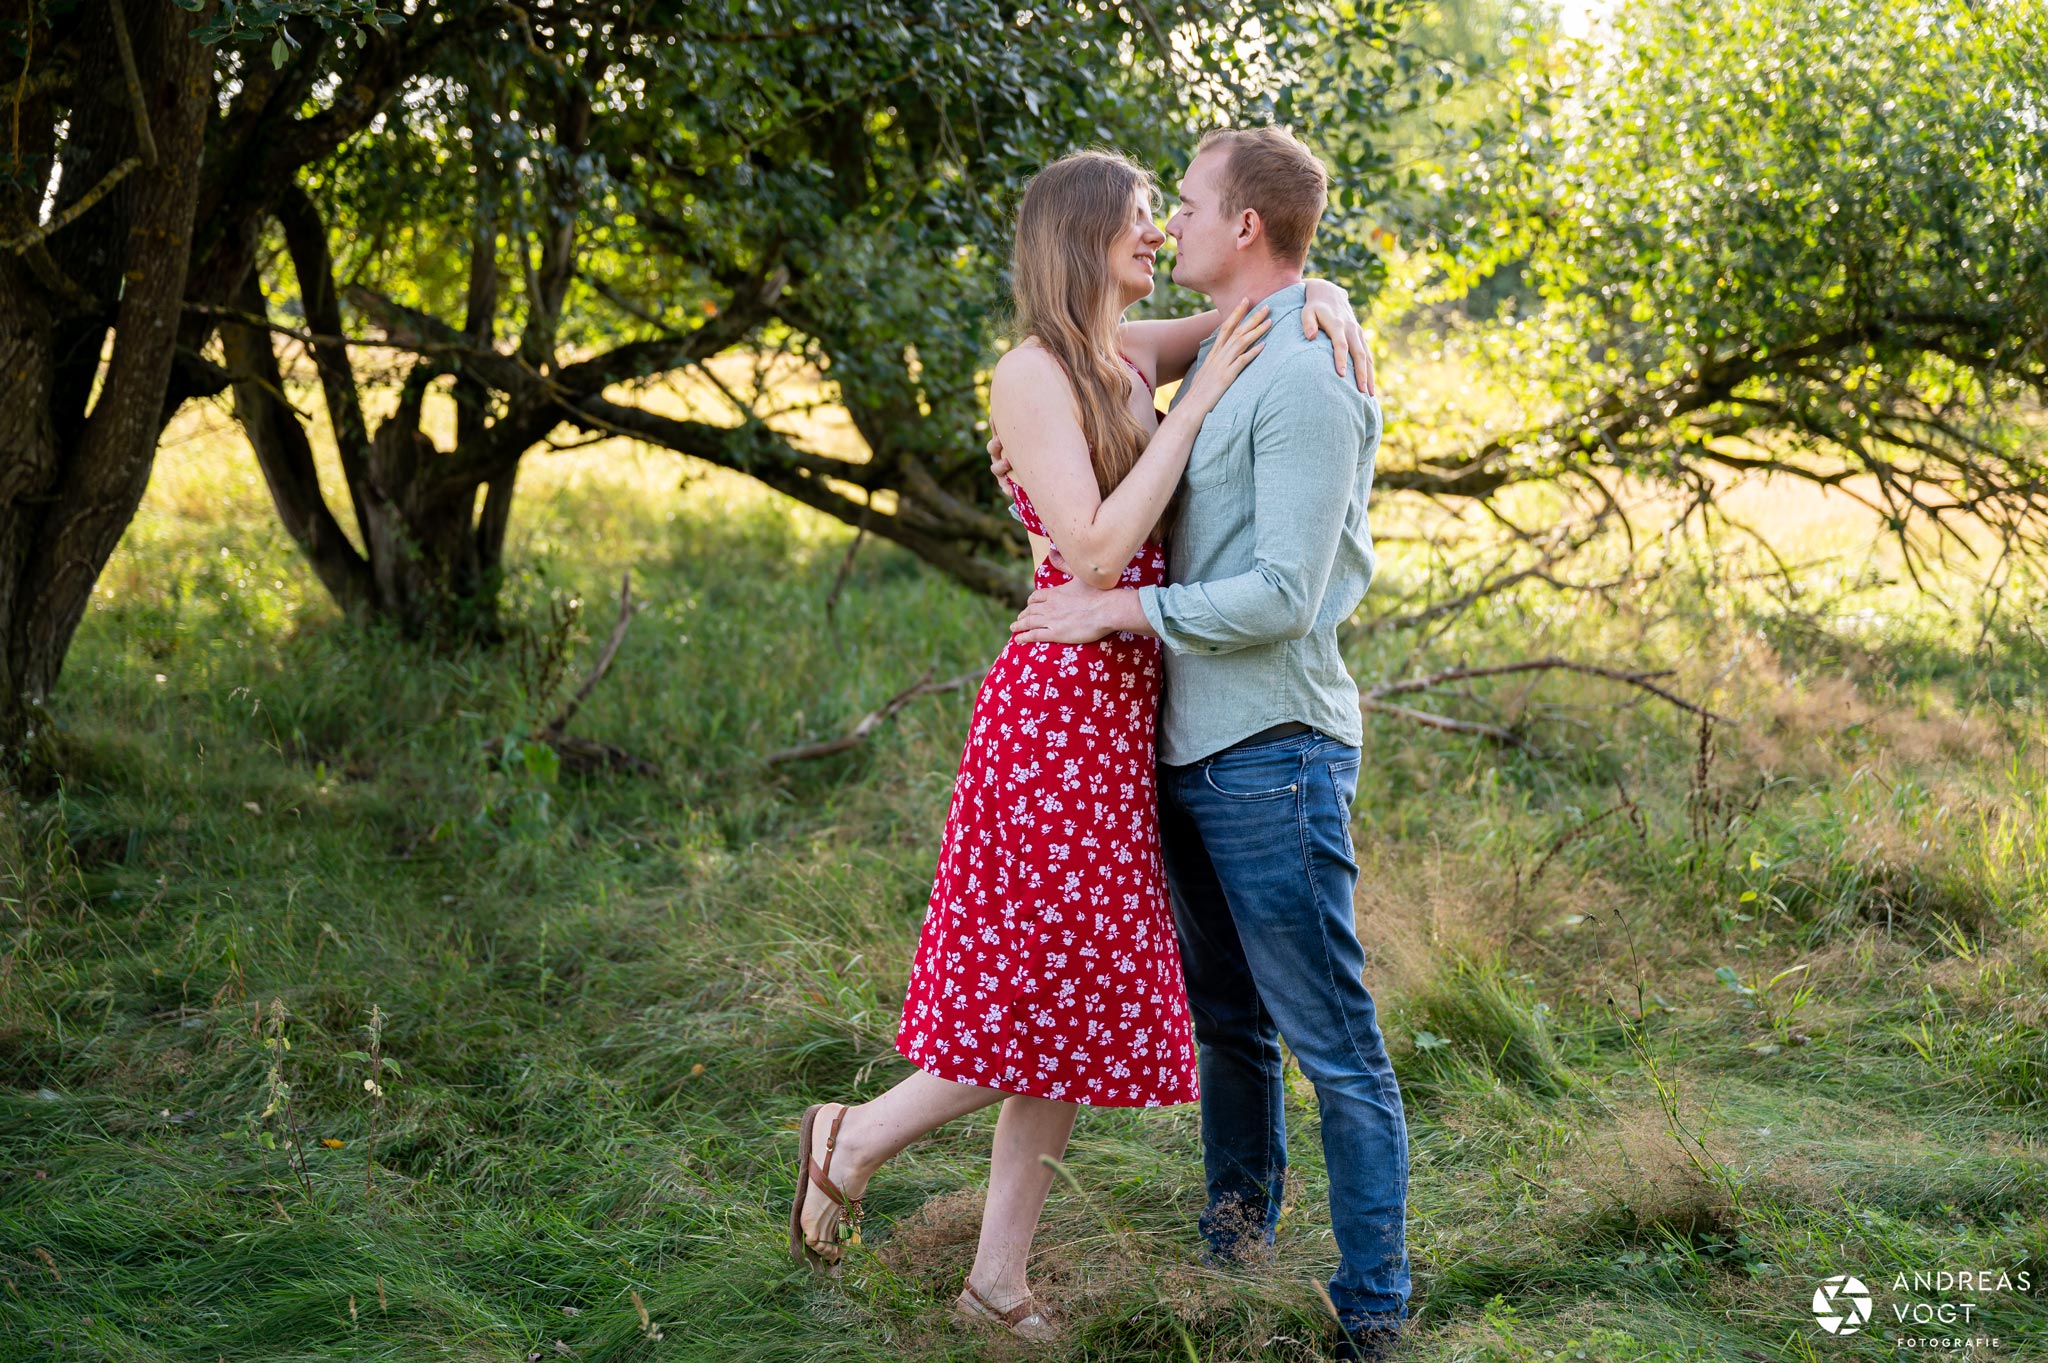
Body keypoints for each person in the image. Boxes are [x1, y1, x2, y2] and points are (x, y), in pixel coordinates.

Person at [788, 147, 1375, 1342]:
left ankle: (994, 1278)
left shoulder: (1124, 353)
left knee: (1077, 999)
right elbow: (1098, 548)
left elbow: (1242, 312)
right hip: (1058, 709)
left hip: (1126, 712)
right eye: (1140, 219)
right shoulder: (1031, 373)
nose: (1157, 233)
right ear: (1084, 229)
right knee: (1048, 991)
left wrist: (1325, 293)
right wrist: (1202, 404)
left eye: (1169, 215)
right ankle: (853, 1134)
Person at [1006, 127, 1410, 1360]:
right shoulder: (1229, 349)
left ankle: (1373, 1310)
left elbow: (1286, 592)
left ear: (1240, 226)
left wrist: (1114, 605)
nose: (1165, 222)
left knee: (1330, 1041)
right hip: (1185, 749)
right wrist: (1315, 285)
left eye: (1182, 204)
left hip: (1273, 751)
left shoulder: (1301, 370)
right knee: (1225, 1027)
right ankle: (1236, 1254)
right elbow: (1090, 361)